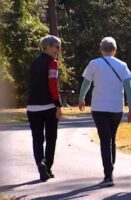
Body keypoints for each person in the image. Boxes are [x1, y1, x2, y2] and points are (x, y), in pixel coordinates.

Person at [78, 37, 131, 187]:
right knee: (111, 138)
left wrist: (81, 98)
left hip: (99, 107)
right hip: (116, 108)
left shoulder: (94, 64)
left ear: (100, 49)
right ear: (115, 50)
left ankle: (108, 174)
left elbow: (86, 82)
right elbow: (128, 87)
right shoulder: (122, 65)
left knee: (105, 140)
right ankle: (110, 168)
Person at [27, 35, 62, 182]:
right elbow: (52, 84)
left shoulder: (33, 62)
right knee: (51, 137)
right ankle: (47, 166)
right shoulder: (53, 63)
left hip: (32, 106)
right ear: (47, 46)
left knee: (37, 138)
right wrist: (58, 105)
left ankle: (40, 163)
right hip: (48, 105)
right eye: (56, 46)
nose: (58, 50)